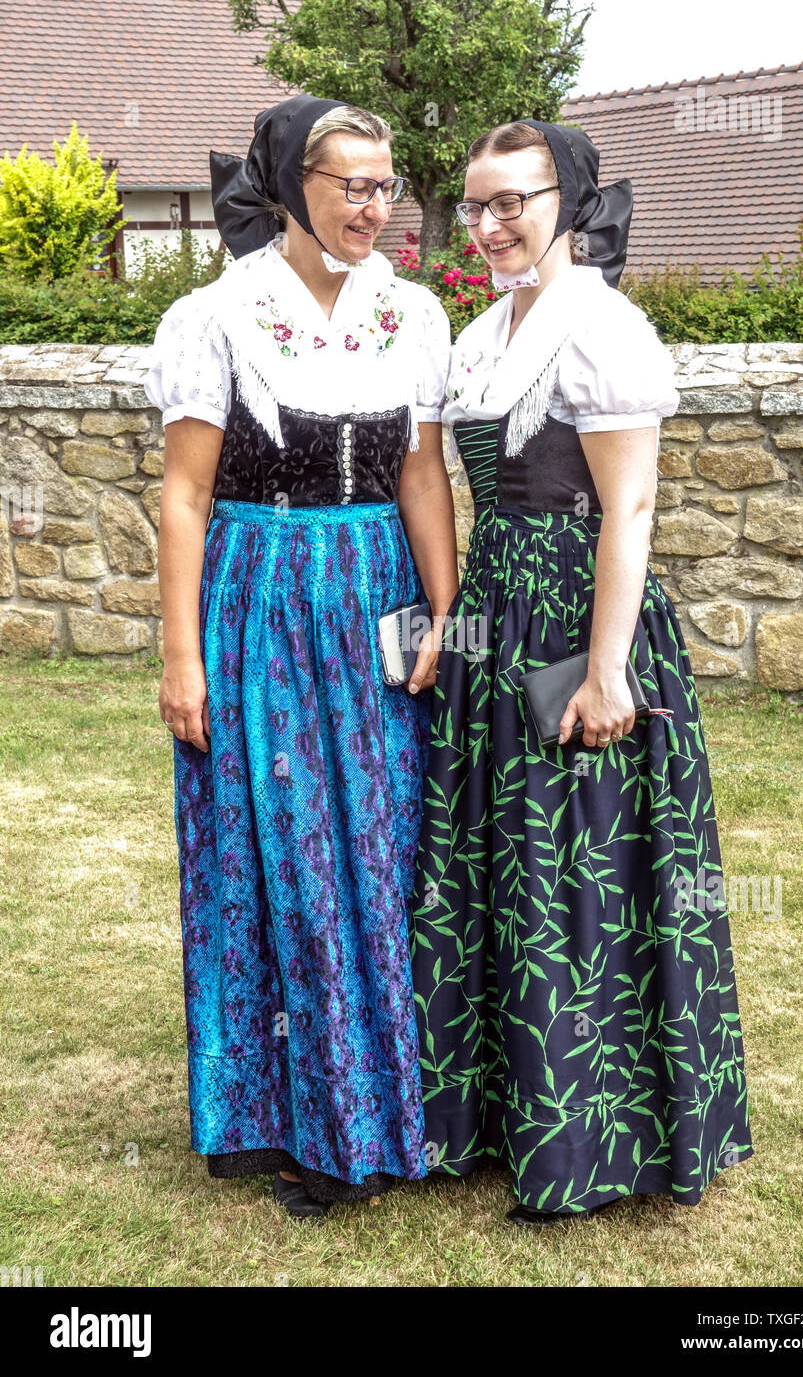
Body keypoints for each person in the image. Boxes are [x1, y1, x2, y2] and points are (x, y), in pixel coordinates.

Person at [410, 119, 754, 1225]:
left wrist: (606, 670)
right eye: (476, 204)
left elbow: (630, 509)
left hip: (577, 616)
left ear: (569, 198)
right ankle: (494, 1116)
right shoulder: (478, 333)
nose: (492, 223)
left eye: (514, 200)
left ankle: (597, 1135)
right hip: (500, 617)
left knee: (581, 873)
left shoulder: (601, 329)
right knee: (501, 864)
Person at [144, 95, 458, 1218]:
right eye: (350, 184)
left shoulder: (413, 315)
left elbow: (421, 478)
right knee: (275, 848)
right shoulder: (215, 318)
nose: (376, 206)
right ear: (290, 185)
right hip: (260, 598)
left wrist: (445, 618)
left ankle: (379, 1104)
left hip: (374, 591)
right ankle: (289, 1117)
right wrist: (181, 657)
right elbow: (184, 494)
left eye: (386, 186)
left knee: (376, 847)